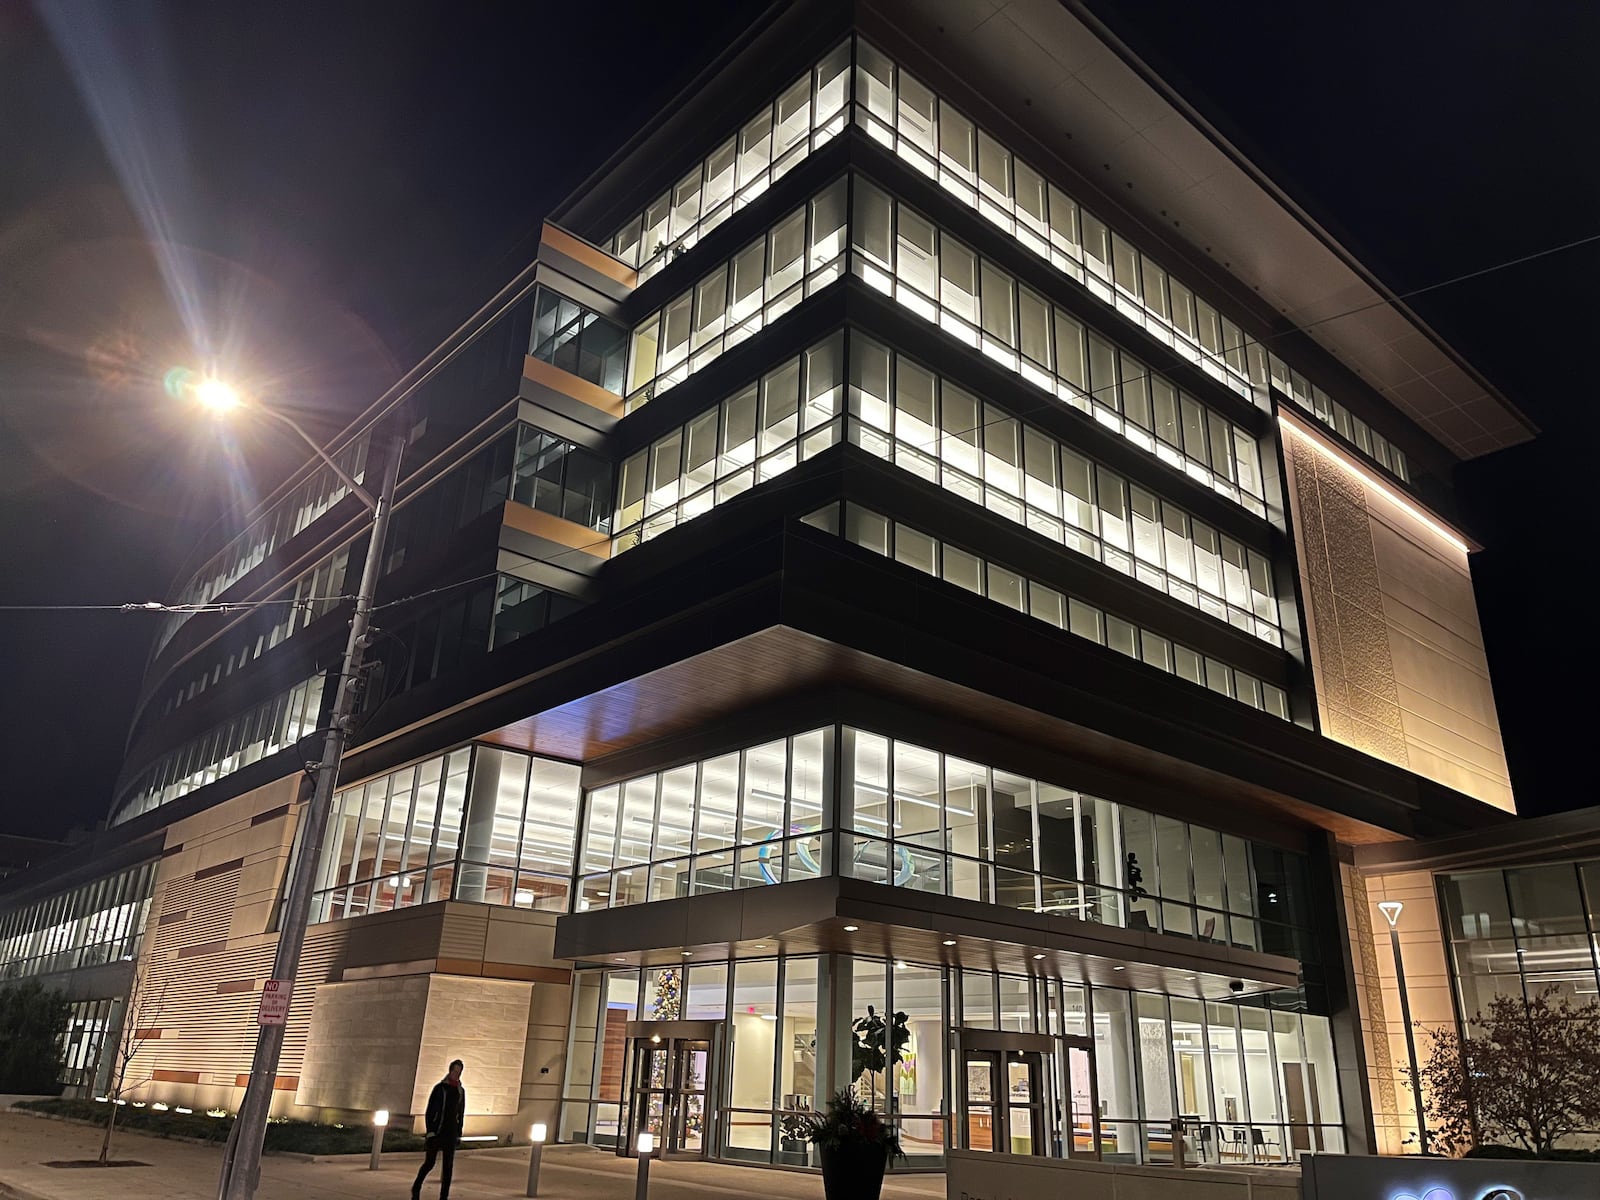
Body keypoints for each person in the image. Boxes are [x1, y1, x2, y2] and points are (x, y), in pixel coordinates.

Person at [412, 1059, 466, 1200]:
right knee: (429, 1163)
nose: (456, 1074)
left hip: (451, 1132)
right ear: (450, 1071)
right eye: (455, 1071)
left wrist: (459, 1133)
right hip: (437, 1131)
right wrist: (430, 1130)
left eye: (459, 1072)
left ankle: (444, 1197)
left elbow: (461, 1113)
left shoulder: (460, 1091)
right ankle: (416, 1187)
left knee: (448, 1167)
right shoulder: (440, 1088)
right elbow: (430, 1110)